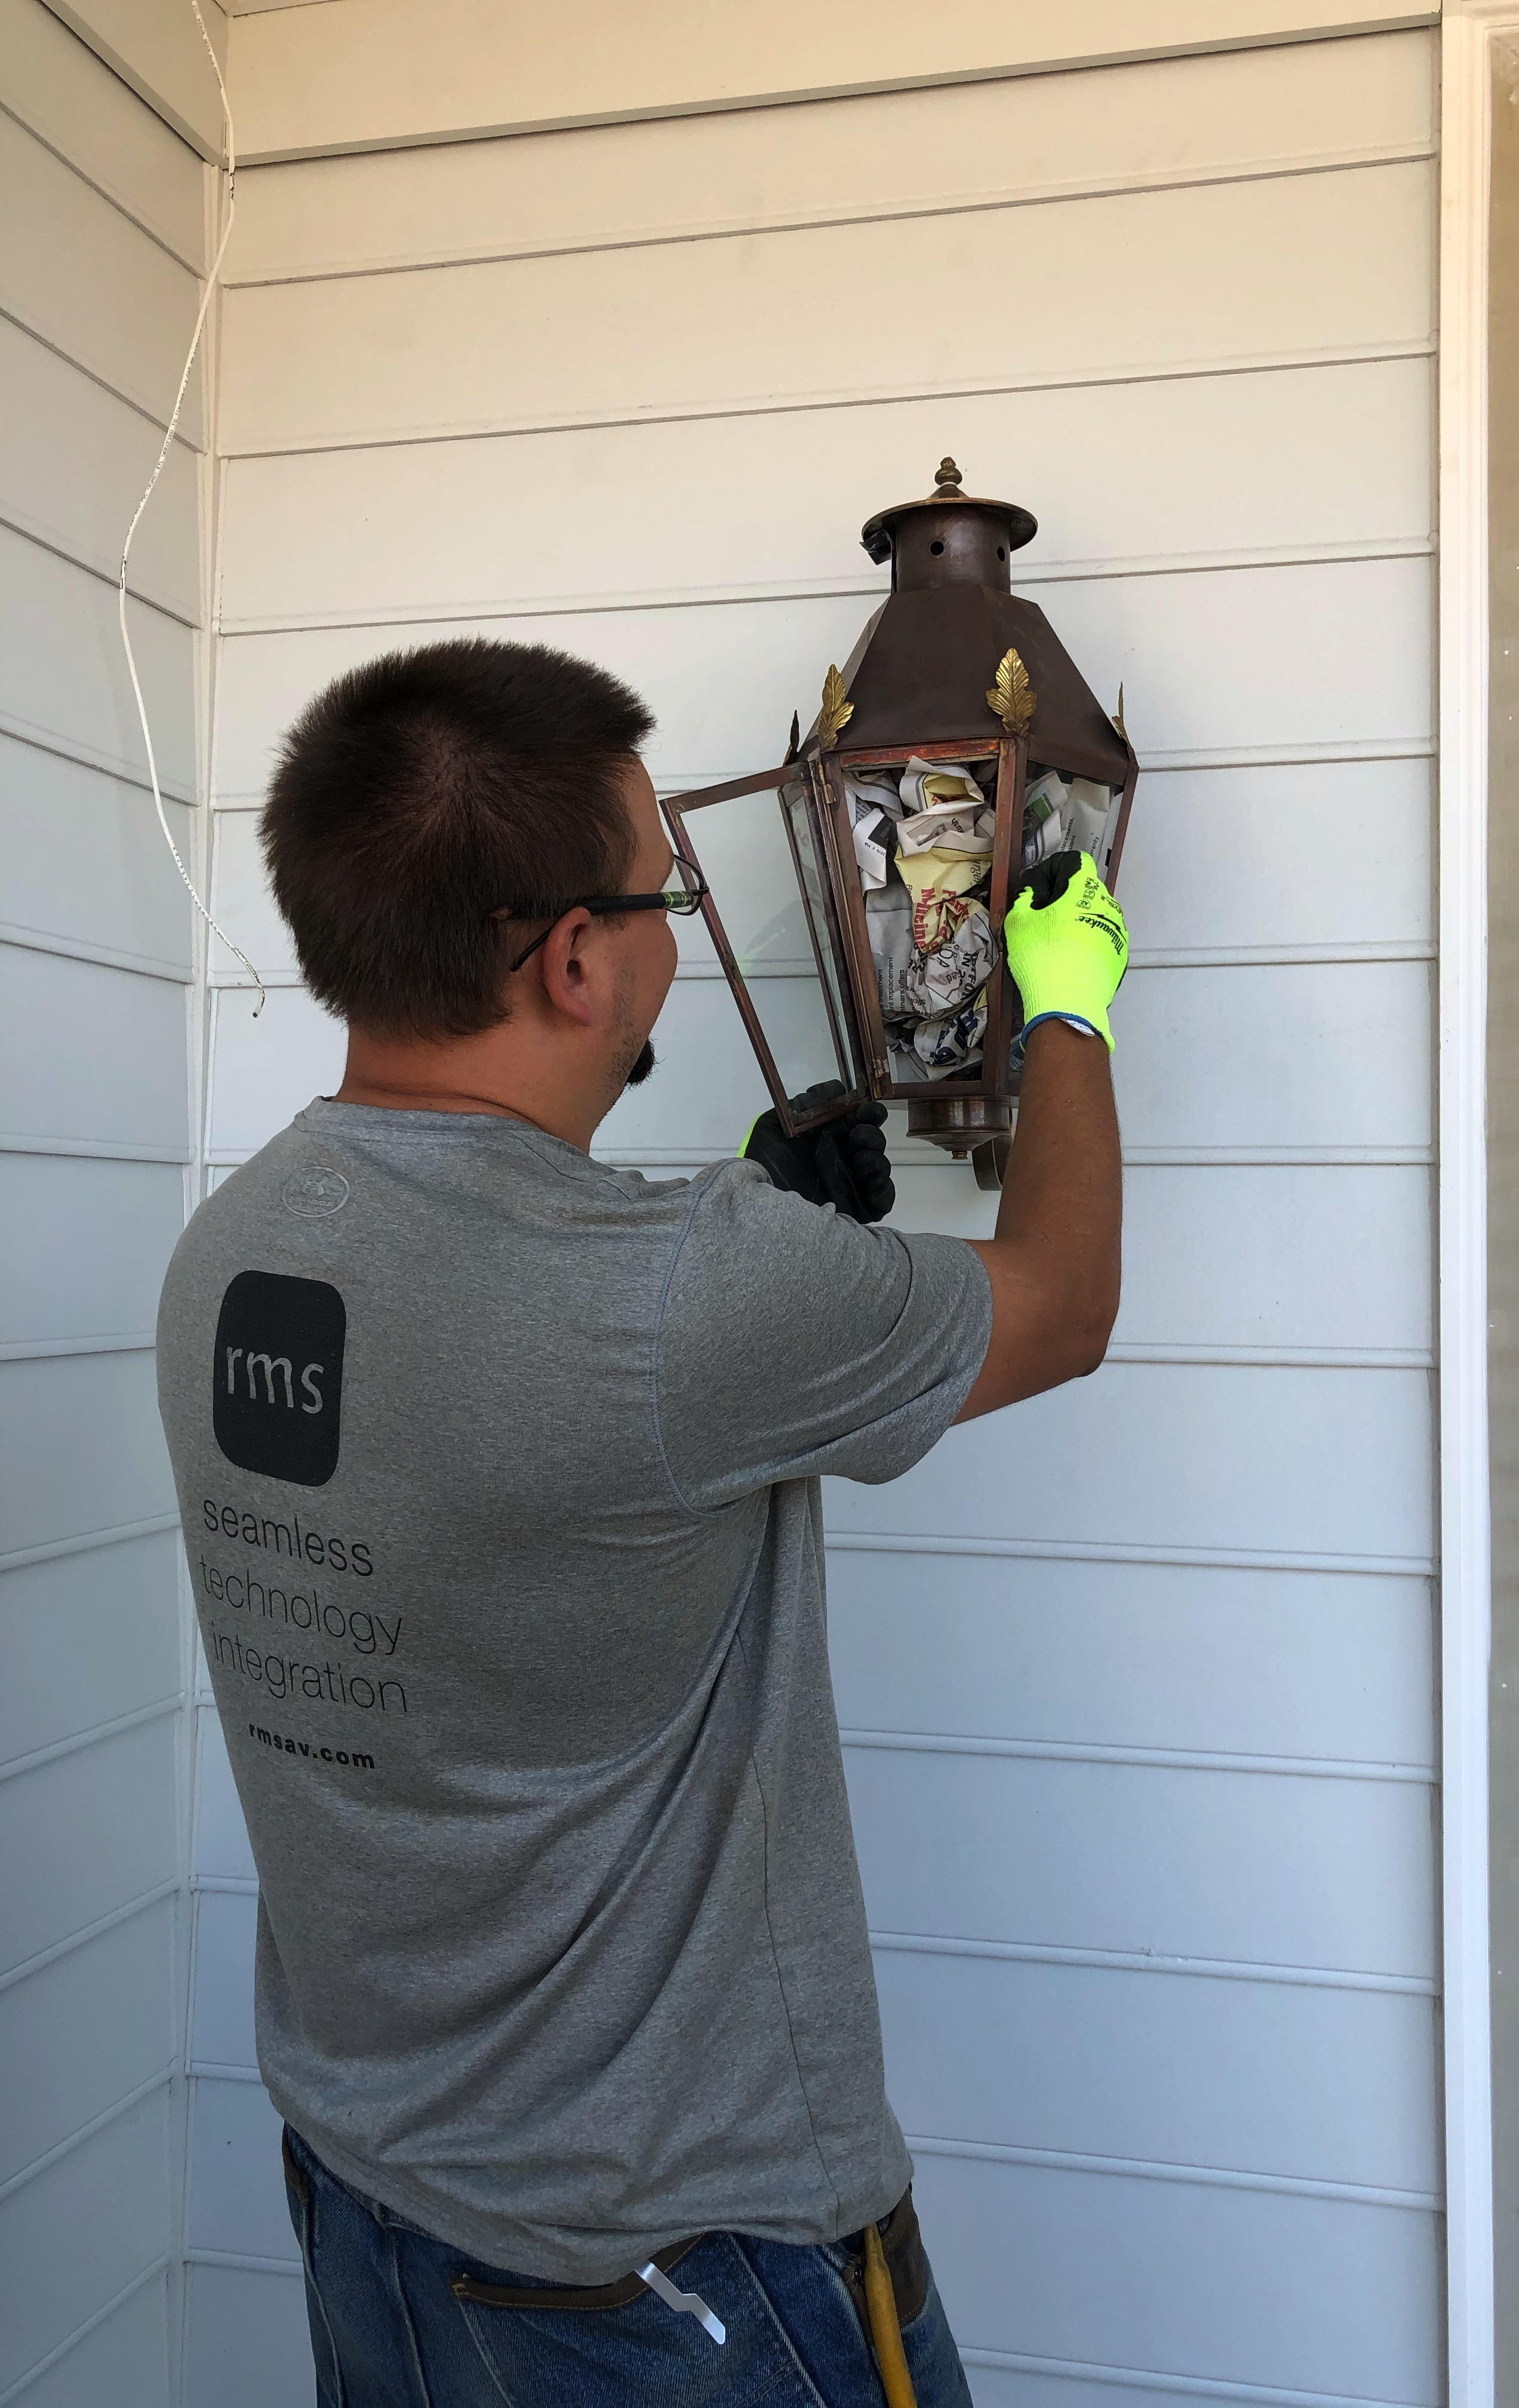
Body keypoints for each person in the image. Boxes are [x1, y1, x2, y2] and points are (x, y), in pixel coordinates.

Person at [155, 637, 1128, 2408]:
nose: (677, 926)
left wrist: (753, 1226)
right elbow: (1057, 1304)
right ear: (577, 957)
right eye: (660, 892)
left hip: (374, 2204)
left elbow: (509, 1382)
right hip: (674, 2267)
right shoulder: (686, 1308)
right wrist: (1065, 1003)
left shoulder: (233, 1253)